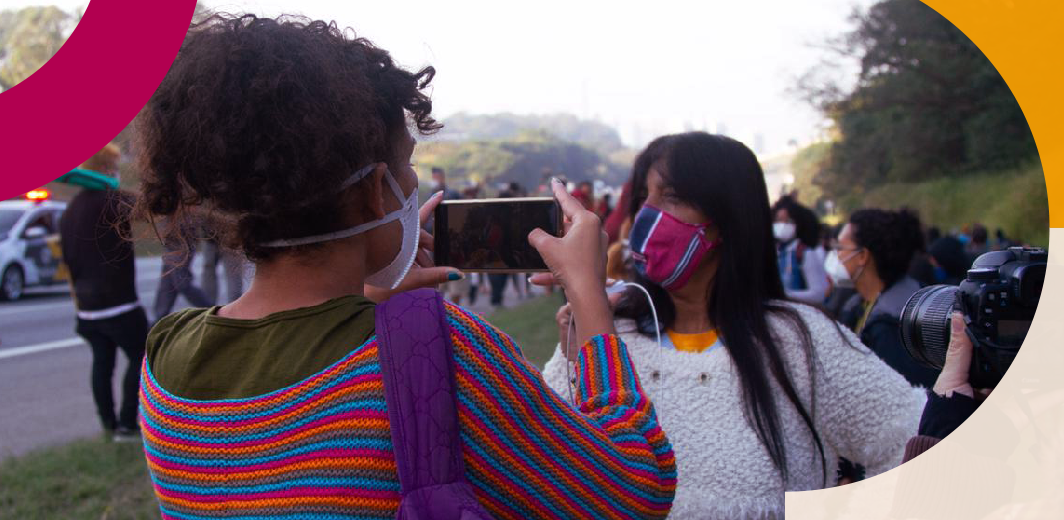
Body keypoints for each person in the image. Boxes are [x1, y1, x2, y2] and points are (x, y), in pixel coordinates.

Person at [134, 15, 674, 519]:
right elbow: (633, 489)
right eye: (405, 166)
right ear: (375, 191)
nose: (412, 186)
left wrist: (375, 308)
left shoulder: (167, 354)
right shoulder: (443, 346)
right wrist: (587, 292)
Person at [544, 132, 925, 518]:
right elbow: (546, 461)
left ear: (727, 217)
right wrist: (579, 347)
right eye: (645, 198)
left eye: (672, 197)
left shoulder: (800, 340)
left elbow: (911, 446)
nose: (648, 215)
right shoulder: (611, 337)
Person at [58, 143, 147, 441]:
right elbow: (149, 207)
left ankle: (108, 424)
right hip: (118, 304)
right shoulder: (112, 200)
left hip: (86, 306)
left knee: (102, 363)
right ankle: (127, 424)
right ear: (107, 169)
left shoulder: (71, 210)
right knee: (142, 357)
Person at [829, 208, 940, 388]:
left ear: (863, 256)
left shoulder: (893, 326)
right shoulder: (859, 305)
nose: (835, 256)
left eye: (840, 248)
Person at [772, 195, 829, 305]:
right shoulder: (775, 252)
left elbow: (818, 294)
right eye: (778, 220)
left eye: (788, 221)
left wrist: (785, 294)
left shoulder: (805, 253)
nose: (782, 225)